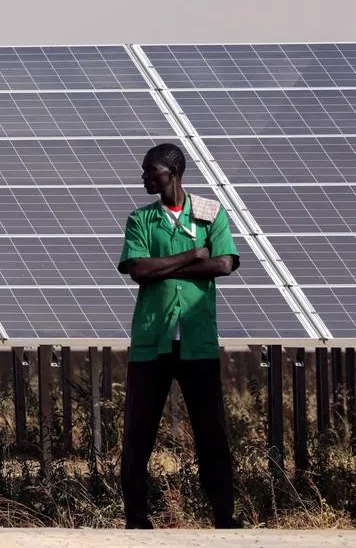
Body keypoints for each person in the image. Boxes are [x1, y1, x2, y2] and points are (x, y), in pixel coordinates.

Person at [116, 142, 243, 529]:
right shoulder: (140, 220)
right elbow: (137, 269)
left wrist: (163, 269)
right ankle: (136, 518)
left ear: (172, 171)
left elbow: (223, 264)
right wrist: (191, 257)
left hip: (196, 339)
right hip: (151, 341)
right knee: (139, 432)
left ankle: (224, 515)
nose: (144, 177)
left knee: (211, 432)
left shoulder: (210, 213)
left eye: (150, 171)